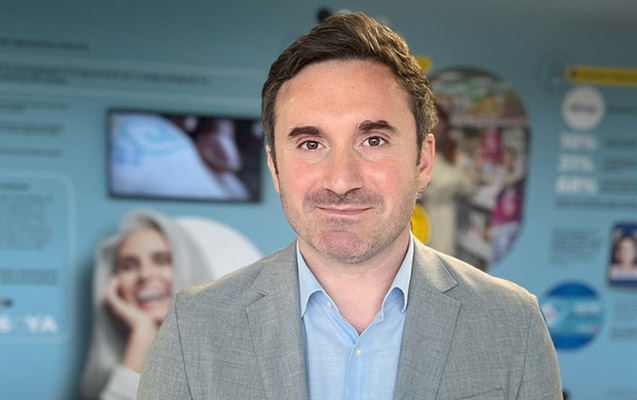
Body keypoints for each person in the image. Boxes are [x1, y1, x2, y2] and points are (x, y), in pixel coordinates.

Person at [138, 12, 562, 400]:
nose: (341, 180)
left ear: (423, 161)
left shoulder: (514, 325)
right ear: (274, 166)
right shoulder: (194, 327)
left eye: (373, 140)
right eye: (310, 144)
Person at [81, 210, 261, 400]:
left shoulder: (237, 364)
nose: (145, 274)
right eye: (128, 266)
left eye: (162, 261)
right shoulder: (119, 368)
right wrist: (142, 334)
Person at [419, 104, 481, 255]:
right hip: (420, 214)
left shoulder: (453, 152)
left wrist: (475, 170)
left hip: (445, 216)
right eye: (431, 119)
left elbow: (467, 186)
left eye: (439, 119)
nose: (436, 124)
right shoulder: (417, 149)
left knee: (441, 258)